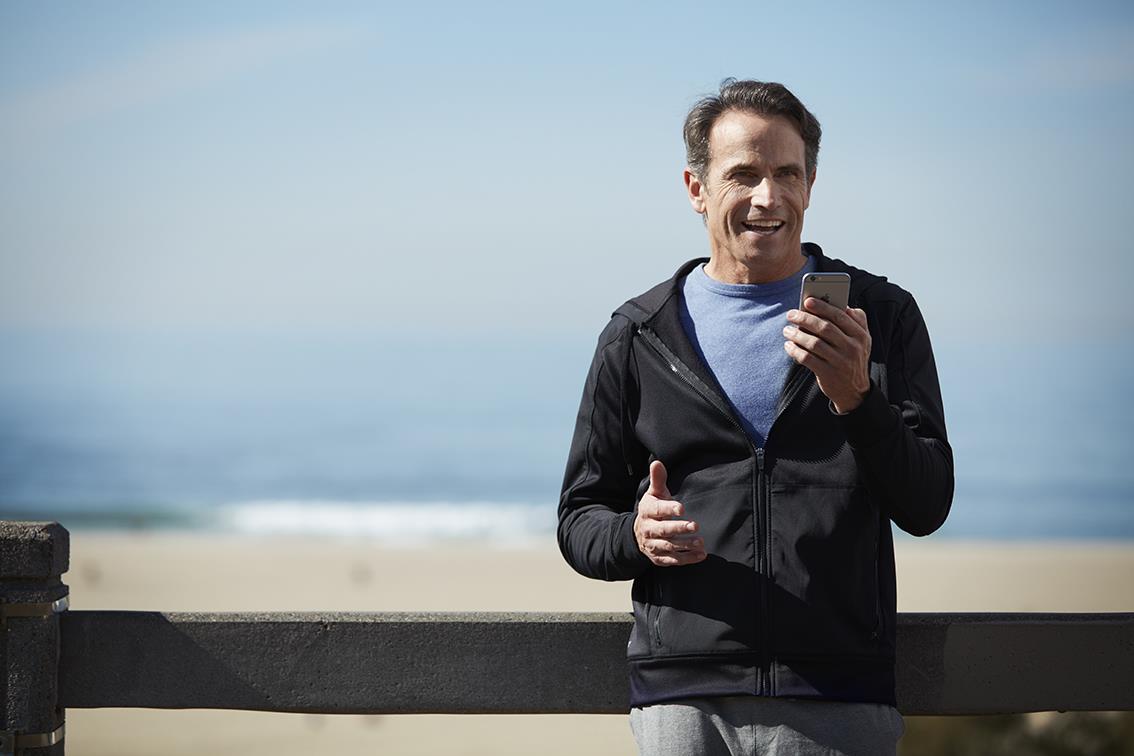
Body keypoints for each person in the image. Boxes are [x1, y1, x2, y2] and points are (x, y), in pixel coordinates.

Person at [557, 79, 953, 755]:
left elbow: (927, 503)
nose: (768, 197)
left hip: (838, 697)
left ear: (811, 184)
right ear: (696, 188)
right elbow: (578, 520)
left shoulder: (882, 318)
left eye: (787, 174)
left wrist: (858, 398)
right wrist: (636, 535)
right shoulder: (638, 335)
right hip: (683, 700)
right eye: (743, 175)